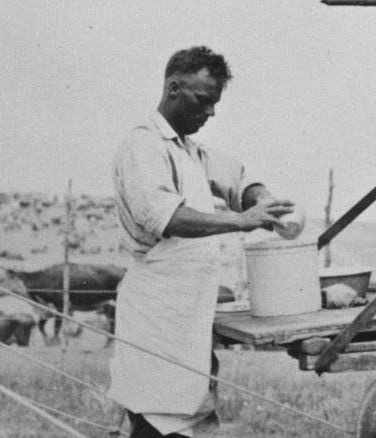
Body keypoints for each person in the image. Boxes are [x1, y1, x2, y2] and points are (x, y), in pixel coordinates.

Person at [108, 46, 295, 438]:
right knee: (158, 414)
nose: (210, 113)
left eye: (215, 103)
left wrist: (262, 200)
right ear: (173, 88)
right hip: (156, 311)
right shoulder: (144, 146)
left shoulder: (190, 150)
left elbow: (238, 180)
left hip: (189, 307)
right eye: (203, 101)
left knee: (191, 413)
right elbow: (166, 217)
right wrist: (241, 222)